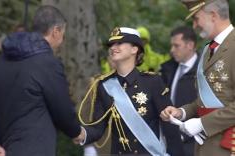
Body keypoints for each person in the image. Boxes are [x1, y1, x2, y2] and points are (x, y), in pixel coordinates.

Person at [0, 5, 85, 156]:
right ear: (56, 31)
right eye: (63, 34)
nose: (62, 40)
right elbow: (62, 109)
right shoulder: (48, 64)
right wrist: (77, 132)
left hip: (2, 149)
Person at [78, 27, 183, 155]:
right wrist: (80, 133)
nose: (113, 47)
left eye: (119, 43)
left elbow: (170, 126)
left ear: (135, 49)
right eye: (111, 44)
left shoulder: (153, 82)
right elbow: (97, 128)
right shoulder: (103, 85)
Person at [160, 0, 235, 155]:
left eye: (196, 18)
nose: (194, 26)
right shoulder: (208, 49)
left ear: (213, 15)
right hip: (204, 146)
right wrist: (181, 112)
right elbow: (203, 102)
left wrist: (202, 123)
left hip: (228, 146)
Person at [160, 26, 198, 156]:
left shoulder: (204, 71)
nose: (172, 50)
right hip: (169, 141)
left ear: (190, 45)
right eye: (172, 46)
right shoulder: (167, 69)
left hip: (195, 142)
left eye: (177, 46)